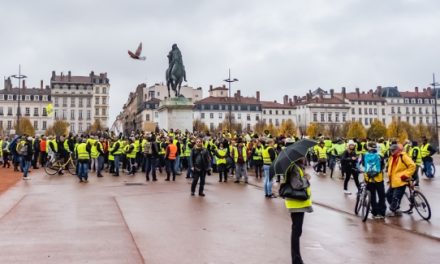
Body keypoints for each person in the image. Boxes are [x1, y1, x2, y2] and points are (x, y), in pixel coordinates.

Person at [284, 158, 312, 264]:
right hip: (297, 204)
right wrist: (306, 178)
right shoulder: (294, 168)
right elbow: (297, 185)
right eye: (302, 156)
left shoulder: (297, 167)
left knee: (297, 231)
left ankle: (297, 258)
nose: (305, 158)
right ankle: (296, 260)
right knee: (296, 231)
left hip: (299, 203)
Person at [386, 144, 416, 217]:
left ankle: (392, 210)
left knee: (396, 197)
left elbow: (412, 166)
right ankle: (397, 209)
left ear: (398, 150)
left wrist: (406, 175)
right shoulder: (392, 157)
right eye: (391, 150)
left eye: (393, 150)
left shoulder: (403, 156)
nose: (392, 151)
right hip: (394, 181)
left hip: (401, 180)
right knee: (388, 194)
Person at [362, 142, 386, 219]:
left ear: (368, 147)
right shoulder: (380, 155)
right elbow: (383, 166)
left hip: (368, 178)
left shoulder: (364, 155)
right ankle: (381, 212)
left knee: (372, 196)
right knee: (381, 195)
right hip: (379, 178)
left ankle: (375, 213)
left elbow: (363, 165)